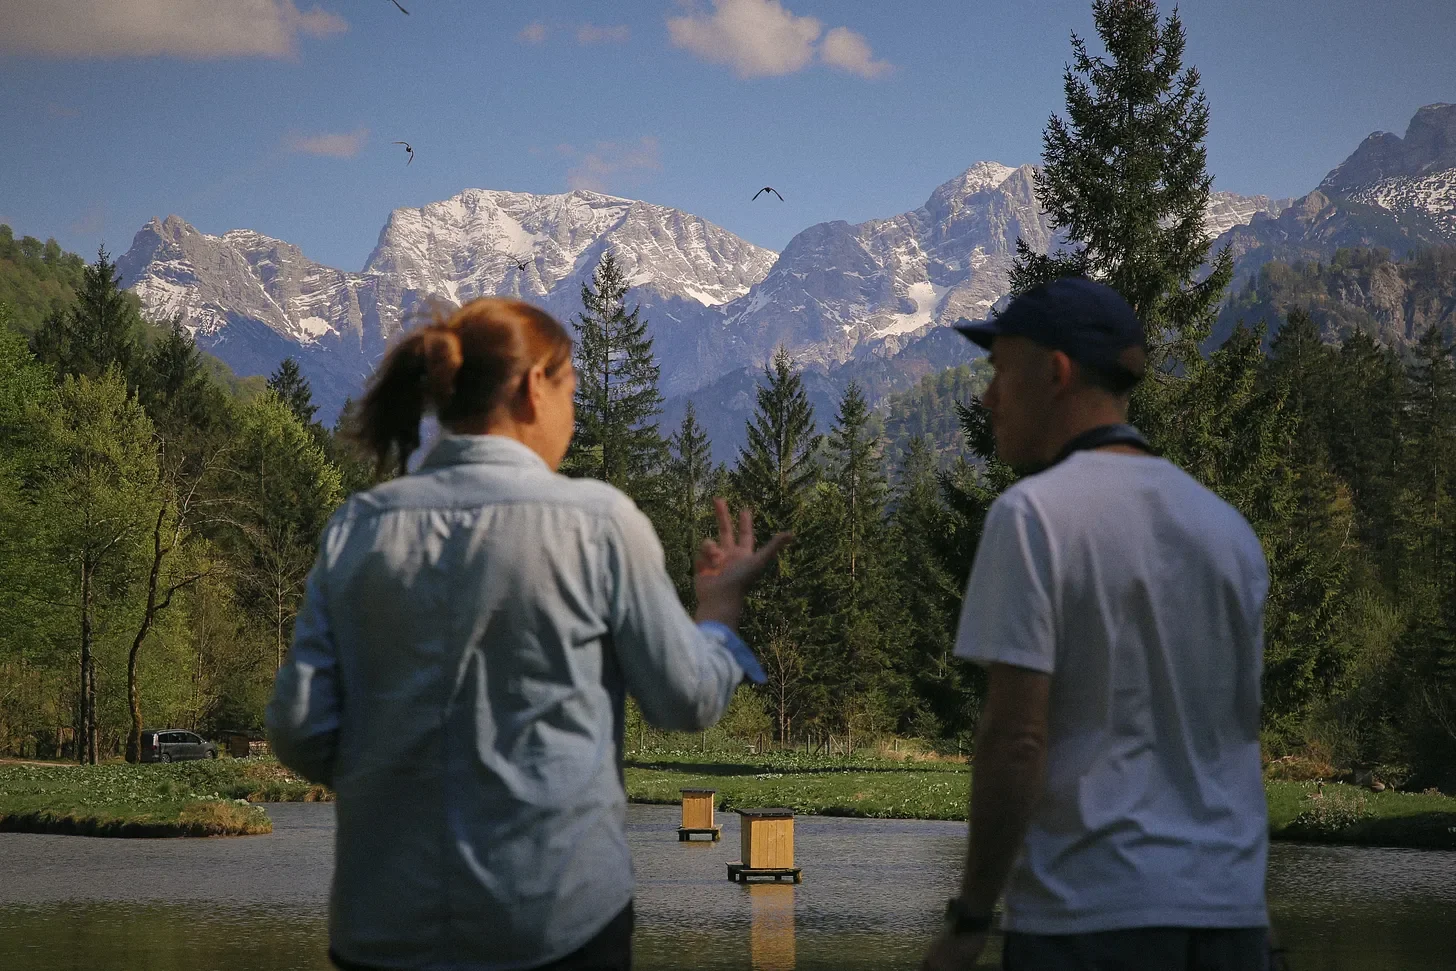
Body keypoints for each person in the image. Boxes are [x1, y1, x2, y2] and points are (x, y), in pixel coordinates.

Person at [266, 297, 790, 971]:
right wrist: (718, 613)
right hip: (557, 926)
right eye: (570, 389)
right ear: (531, 387)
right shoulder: (597, 522)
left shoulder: (357, 528)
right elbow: (684, 699)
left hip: (382, 928)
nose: (573, 414)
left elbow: (300, 727)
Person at [922, 278, 1276, 971]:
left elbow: (1017, 738)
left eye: (999, 372)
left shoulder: (1034, 516)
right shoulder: (1227, 530)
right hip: (1232, 918)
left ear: (1054, 372)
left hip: (1089, 919)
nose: (988, 399)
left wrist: (970, 917)